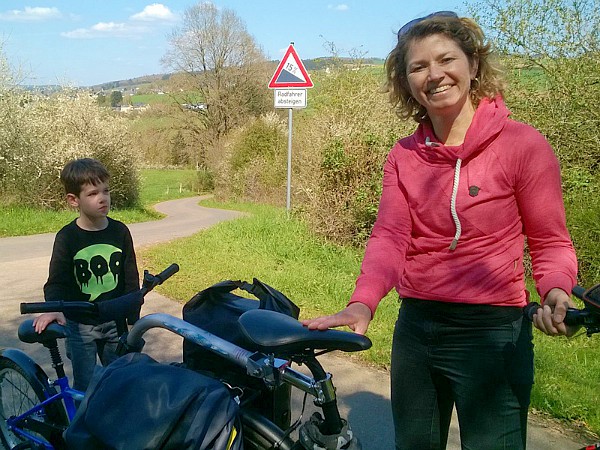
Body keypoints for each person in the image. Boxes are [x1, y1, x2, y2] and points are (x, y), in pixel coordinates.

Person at [302, 11, 578, 450]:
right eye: (418, 66)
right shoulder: (404, 156)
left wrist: (556, 291)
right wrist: (362, 304)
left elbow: (550, 241)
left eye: (446, 59)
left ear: (472, 63)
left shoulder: (523, 145)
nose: (434, 75)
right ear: (406, 81)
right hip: (418, 328)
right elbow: (390, 237)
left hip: (493, 332)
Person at [33, 158, 139, 391]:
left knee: (122, 381)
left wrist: (133, 319)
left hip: (115, 322)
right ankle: (84, 425)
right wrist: (53, 307)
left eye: (106, 191)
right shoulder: (67, 237)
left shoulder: (120, 231)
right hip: (80, 326)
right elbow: (57, 281)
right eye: (92, 194)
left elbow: (131, 280)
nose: (102, 198)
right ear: (74, 200)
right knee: (85, 386)